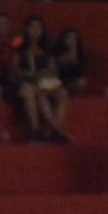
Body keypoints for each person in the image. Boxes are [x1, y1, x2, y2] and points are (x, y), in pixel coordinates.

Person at [14, 15, 70, 143]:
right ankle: (36, 130)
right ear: (27, 29)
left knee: (62, 92)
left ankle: (55, 129)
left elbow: (52, 69)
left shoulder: (47, 49)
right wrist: (33, 74)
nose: (35, 30)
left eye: (38, 27)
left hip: (44, 83)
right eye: (32, 26)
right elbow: (15, 70)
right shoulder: (19, 47)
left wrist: (47, 73)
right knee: (36, 94)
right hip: (27, 82)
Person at [54, 28, 87, 95]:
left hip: (73, 80)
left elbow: (81, 71)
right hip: (59, 80)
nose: (71, 40)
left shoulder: (80, 54)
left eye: (74, 38)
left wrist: (74, 52)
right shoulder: (57, 52)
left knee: (81, 82)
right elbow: (57, 68)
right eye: (69, 37)